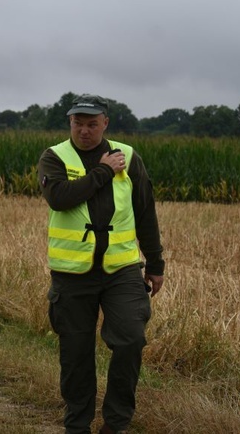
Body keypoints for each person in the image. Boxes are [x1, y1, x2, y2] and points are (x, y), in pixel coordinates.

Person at [37, 94, 165, 434]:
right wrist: (103, 171)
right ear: (70, 124)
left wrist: (155, 262)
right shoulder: (55, 157)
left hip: (121, 271)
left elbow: (145, 212)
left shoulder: (130, 157)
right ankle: (77, 426)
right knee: (76, 356)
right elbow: (60, 198)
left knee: (130, 339)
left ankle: (116, 423)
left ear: (105, 123)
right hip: (72, 275)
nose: (84, 130)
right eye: (78, 123)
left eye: (92, 124)